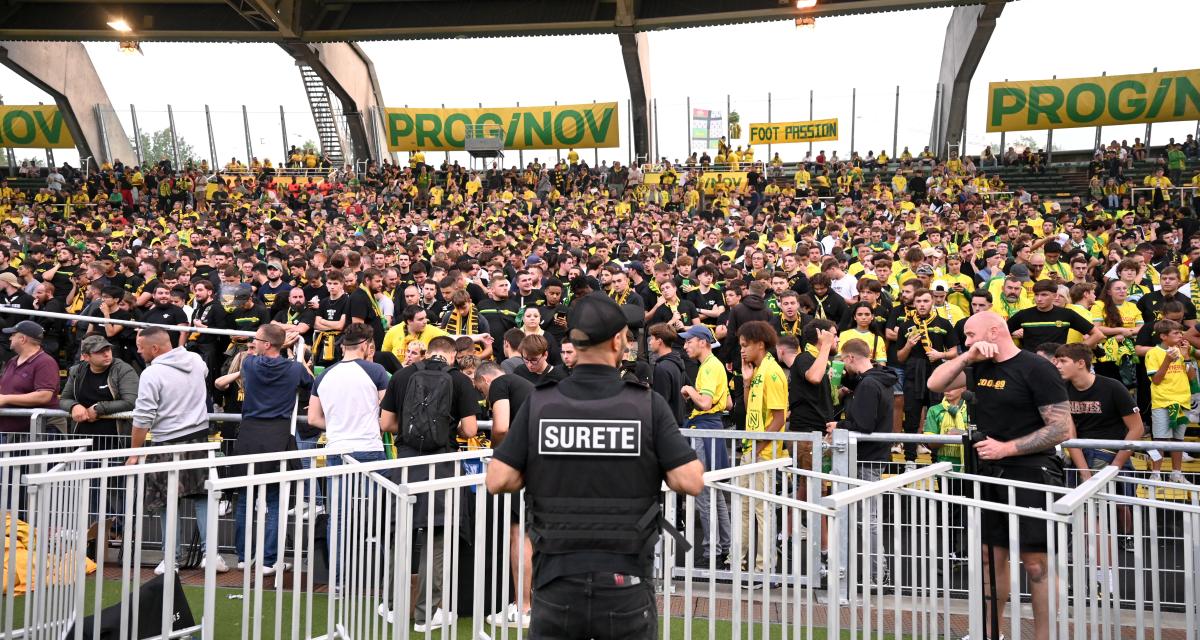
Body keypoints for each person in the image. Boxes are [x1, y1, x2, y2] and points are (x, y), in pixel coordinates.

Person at [485, 293, 703, 640]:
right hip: (625, 582)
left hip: (557, 582)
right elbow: (689, 480)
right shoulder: (646, 404)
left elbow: (498, 479)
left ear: (573, 342)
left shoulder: (541, 402)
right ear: (618, 341)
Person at [928, 311, 1073, 640]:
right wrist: (967, 355)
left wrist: (1007, 448)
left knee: (1036, 562)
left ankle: (1044, 636)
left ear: (994, 331)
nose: (965, 341)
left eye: (969, 334)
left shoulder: (1037, 368)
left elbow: (1062, 428)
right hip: (986, 473)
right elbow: (934, 383)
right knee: (990, 559)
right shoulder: (977, 365)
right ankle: (988, 633)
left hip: (1031, 472)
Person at [378, 335, 479, 631]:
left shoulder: (402, 375)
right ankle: (425, 615)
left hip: (407, 461)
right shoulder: (459, 380)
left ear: (427, 351)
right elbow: (471, 429)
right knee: (437, 538)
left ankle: (394, 607)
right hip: (442, 463)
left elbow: (386, 423)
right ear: (452, 355)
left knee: (402, 534)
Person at [126, 326, 227, 574]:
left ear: (155, 348)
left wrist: (134, 451)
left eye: (140, 347)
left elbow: (142, 418)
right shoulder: (194, 359)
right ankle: (210, 555)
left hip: (166, 442)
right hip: (198, 439)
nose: (138, 352)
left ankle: (171, 558)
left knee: (166, 502)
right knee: (202, 498)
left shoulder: (152, 374)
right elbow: (202, 371)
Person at [227, 323, 313, 575]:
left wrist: (283, 344)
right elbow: (310, 382)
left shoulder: (249, 364)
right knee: (275, 500)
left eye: (257, 339)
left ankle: (244, 557)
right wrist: (291, 348)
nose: (252, 343)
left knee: (246, 497)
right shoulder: (294, 368)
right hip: (277, 434)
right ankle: (267, 560)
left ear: (266, 344)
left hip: (251, 434)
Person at [825, 338, 897, 585]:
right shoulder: (879, 379)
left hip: (866, 457)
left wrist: (840, 425)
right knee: (867, 519)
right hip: (874, 456)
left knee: (868, 520)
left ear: (851, 358)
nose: (844, 367)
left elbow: (863, 425)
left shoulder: (869, 384)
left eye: (845, 361)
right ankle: (877, 573)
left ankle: (879, 575)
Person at [473, 361, 536, 628]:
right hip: (544, 464)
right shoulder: (527, 387)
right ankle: (526, 603)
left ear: (485, 381)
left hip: (526, 466)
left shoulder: (500, 383)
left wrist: (498, 455)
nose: (484, 397)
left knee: (518, 534)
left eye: (481, 391)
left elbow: (500, 427)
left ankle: (523, 607)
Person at [736, 320, 788, 572]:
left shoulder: (773, 372)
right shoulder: (757, 372)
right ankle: (741, 561)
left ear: (760, 344)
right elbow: (749, 409)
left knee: (762, 511)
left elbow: (779, 417)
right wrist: (746, 382)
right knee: (744, 508)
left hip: (764, 453)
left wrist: (757, 448)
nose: (742, 351)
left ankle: (764, 566)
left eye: (745, 346)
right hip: (752, 449)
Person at [678, 324, 731, 564]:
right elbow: (728, 404)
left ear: (702, 341)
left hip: (706, 428)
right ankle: (725, 546)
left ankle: (712, 552)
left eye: (689, 340)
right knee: (715, 492)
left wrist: (690, 389)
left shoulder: (709, 366)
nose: (685, 345)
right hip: (713, 427)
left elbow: (706, 403)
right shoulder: (714, 365)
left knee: (705, 492)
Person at [60, 334, 139, 445]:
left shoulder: (123, 369)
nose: (106, 354)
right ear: (86, 357)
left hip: (116, 441)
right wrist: (74, 406)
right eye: (99, 352)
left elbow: (131, 401)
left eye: (108, 349)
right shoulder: (77, 371)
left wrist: (98, 409)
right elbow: (64, 399)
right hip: (82, 440)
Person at [1144, 320, 1194, 484]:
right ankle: (1156, 473)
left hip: (1183, 401)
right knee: (1159, 440)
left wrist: (1186, 357)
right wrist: (1167, 360)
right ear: (1163, 336)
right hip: (1163, 402)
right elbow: (1156, 380)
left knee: (1178, 440)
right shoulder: (1153, 353)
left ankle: (1176, 473)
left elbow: (1192, 378)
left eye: (1181, 332)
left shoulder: (1183, 351)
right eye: (1176, 333)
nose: (1181, 335)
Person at [0, 320, 62, 434]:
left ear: (22, 339)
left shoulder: (45, 362)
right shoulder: (13, 361)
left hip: (38, 432)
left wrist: (5, 398)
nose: (10, 338)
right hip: (12, 432)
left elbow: (44, 395)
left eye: (13, 335)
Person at [647, 323, 687, 425]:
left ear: (659, 341)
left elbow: (661, 402)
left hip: (666, 426)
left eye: (652, 339)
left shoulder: (662, 368)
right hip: (676, 423)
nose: (650, 342)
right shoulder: (677, 363)